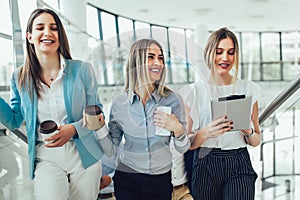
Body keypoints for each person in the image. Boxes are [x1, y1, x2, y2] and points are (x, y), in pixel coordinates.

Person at [0, 8, 105, 200]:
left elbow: (98, 119)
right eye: (40, 27)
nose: (47, 32)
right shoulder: (19, 77)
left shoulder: (82, 70)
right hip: (46, 158)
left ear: (60, 36)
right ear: (30, 37)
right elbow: (15, 120)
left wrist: (73, 130)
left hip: (84, 157)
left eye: (53, 28)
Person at [95, 38, 190, 200]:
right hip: (127, 178)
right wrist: (99, 126)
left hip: (160, 181)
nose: (158, 63)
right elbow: (112, 148)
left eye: (160, 58)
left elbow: (183, 148)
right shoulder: (120, 103)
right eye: (151, 57)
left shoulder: (173, 100)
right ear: (136, 62)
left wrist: (178, 129)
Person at [183, 27, 261, 200]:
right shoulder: (194, 92)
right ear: (209, 54)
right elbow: (186, 143)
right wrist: (206, 132)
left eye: (231, 52)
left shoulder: (248, 89)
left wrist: (248, 132)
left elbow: (256, 140)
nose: (225, 58)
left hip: (238, 161)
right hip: (205, 163)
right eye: (219, 52)